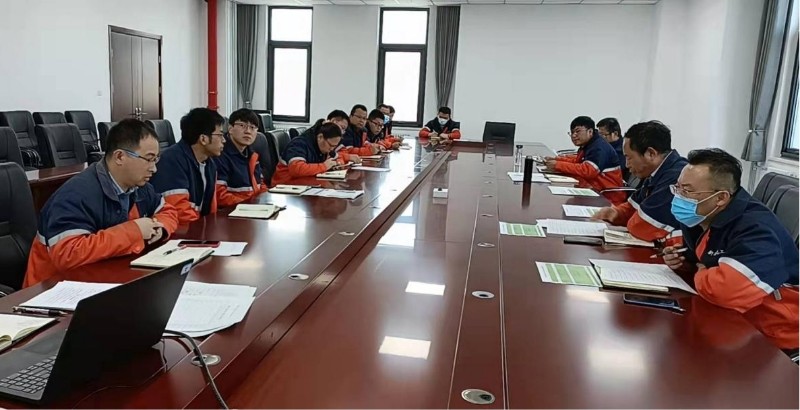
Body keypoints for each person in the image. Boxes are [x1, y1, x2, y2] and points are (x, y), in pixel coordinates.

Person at [662, 148, 798, 355]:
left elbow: (724, 290)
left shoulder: (756, 228)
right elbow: (699, 255)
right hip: (734, 320)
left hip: (773, 333)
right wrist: (683, 261)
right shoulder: (704, 216)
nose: (679, 197)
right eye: (677, 188)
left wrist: (701, 272)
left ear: (721, 198)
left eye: (687, 191)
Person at [24, 119, 179, 287]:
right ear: (120, 157)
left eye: (156, 159)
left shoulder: (139, 187)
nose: (154, 168)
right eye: (148, 159)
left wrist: (161, 229)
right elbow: (67, 254)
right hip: (52, 288)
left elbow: (168, 210)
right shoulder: (76, 194)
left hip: (104, 278)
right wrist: (134, 231)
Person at [592, 121, 688, 245]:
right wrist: (615, 213)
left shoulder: (676, 176)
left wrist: (631, 219)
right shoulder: (656, 172)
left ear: (651, 153)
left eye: (629, 157)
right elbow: (633, 206)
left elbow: (643, 227)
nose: (626, 165)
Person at [150, 108, 225, 224]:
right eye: (220, 135)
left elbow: (209, 208)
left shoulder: (210, 163)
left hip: (198, 227)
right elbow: (179, 212)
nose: (224, 140)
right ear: (203, 139)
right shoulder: (172, 161)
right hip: (181, 230)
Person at [544, 116, 626, 205]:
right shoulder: (589, 144)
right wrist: (557, 160)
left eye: (577, 131)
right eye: (572, 132)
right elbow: (578, 161)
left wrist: (558, 165)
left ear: (590, 131)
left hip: (607, 197)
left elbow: (588, 171)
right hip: (593, 190)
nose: (573, 135)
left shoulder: (599, 147)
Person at [213, 108, 267, 208]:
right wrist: (249, 206)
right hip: (231, 212)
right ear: (230, 128)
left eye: (252, 127)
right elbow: (220, 196)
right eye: (242, 125)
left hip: (251, 210)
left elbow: (260, 185)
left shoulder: (252, 155)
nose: (248, 131)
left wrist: (267, 201)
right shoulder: (220, 154)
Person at [271, 123, 347, 185]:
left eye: (334, 146)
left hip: (305, 183)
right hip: (285, 186)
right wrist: (324, 166)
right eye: (330, 145)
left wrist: (337, 164)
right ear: (320, 137)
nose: (332, 149)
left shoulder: (322, 147)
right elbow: (296, 169)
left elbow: (338, 157)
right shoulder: (299, 144)